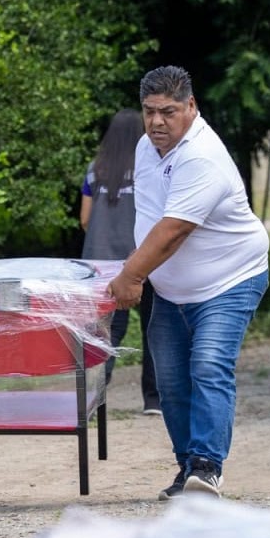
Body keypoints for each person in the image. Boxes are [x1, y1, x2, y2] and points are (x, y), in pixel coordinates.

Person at [107, 65, 270, 500]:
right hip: (170, 289)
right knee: (171, 382)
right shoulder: (146, 147)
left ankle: (206, 467)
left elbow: (174, 229)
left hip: (229, 280)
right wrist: (134, 269)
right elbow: (151, 216)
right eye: (150, 111)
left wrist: (132, 275)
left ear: (191, 106)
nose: (157, 122)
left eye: (169, 111)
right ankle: (188, 470)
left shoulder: (202, 156)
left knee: (209, 365)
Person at [80, 108, 161, 415]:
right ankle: (154, 400)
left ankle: (93, 399)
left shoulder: (95, 169)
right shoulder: (148, 169)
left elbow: (85, 219)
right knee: (154, 327)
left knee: (107, 331)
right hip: (143, 257)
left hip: (100, 264)